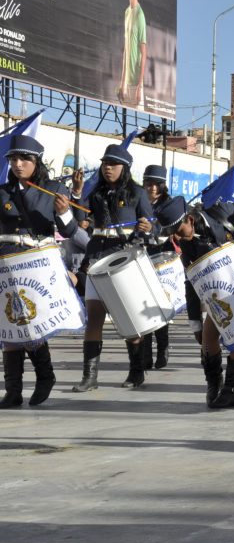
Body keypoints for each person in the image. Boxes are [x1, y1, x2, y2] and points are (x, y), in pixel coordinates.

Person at [0, 135, 80, 408]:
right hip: (8, 262)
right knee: (9, 327)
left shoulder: (55, 189)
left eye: (24, 159)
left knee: (30, 325)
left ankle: (45, 376)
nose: (18, 164)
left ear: (37, 162)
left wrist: (66, 212)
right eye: (13, 159)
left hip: (38, 263)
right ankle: (13, 391)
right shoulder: (2, 191)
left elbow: (70, 232)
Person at [70, 144, 155, 392]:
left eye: (113, 164)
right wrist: (76, 194)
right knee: (94, 317)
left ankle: (136, 370)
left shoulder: (138, 193)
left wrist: (150, 229)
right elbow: (78, 222)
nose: (107, 168)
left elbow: (154, 226)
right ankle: (90, 376)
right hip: (97, 259)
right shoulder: (95, 192)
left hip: (124, 260)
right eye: (105, 163)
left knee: (129, 317)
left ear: (124, 168)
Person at [173, 201, 234, 408]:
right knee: (208, 337)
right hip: (218, 293)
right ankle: (215, 383)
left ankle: (233, 389)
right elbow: (191, 281)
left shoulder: (218, 211)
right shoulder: (187, 244)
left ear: (190, 219)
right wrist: (194, 322)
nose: (177, 237)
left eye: (179, 230)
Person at [140, 164, 185, 371]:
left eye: (156, 184)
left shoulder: (169, 204)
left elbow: (172, 230)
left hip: (163, 259)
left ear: (163, 186)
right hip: (141, 258)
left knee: (160, 305)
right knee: (142, 306)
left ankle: (163, 347)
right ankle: (145, 354)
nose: (152, 188)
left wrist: (154, 229)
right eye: (149, 184)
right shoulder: (138, 201)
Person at [119, 0, 147, 108]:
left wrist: (139, 87)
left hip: (135, 85)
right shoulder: (127, 12)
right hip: (127, 84)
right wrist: (122, 83)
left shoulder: (140, 15)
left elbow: (144, 53)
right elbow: (126, 50)